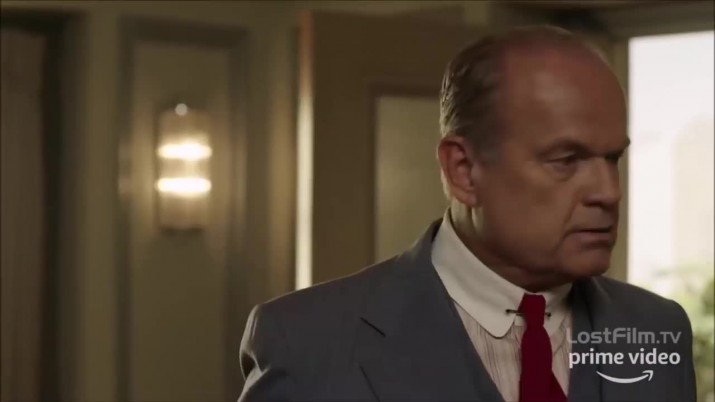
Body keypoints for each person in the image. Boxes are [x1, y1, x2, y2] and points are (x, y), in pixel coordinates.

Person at [238, 25, 696, 402]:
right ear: (464, 170)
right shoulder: (307, 344)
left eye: (612, 159)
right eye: (566, 160)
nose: (609, 192)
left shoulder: (656, 329)